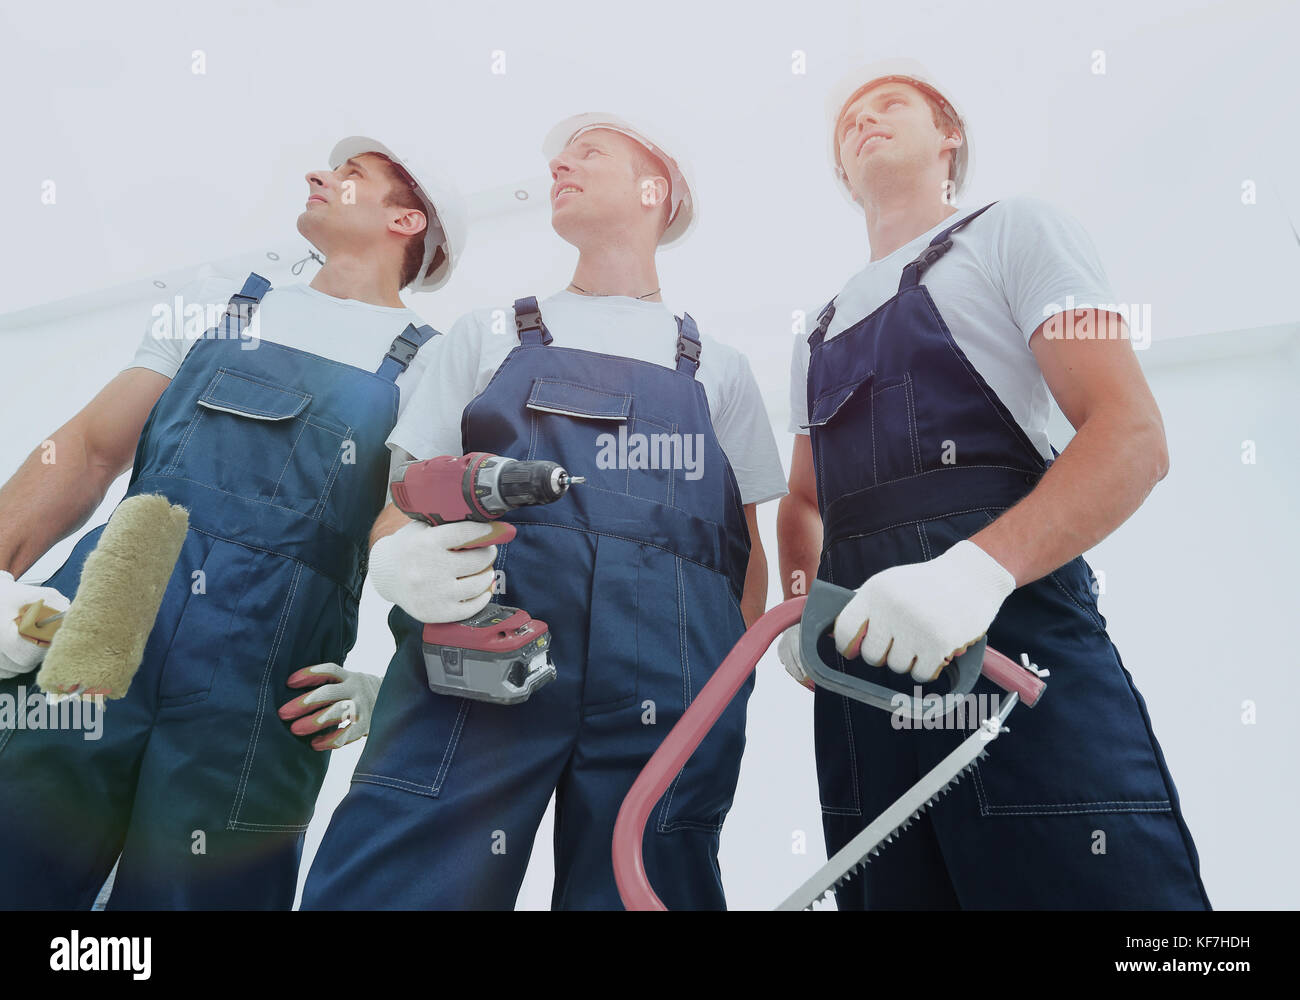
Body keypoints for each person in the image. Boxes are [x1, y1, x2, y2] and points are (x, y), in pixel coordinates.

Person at [301, 112, 788, 910]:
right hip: (481, 656)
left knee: (646, 884)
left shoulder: (717, 371)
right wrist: (397, 563)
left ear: (652, 188)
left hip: (669, 688)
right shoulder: (485, 334)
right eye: (559, 155)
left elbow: (743, 556)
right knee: (399, 878)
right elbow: (405, 495)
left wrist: (721, 694)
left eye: (587, 152)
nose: (560, 165)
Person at [776, 60, 1210, 909]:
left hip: (1011, 651)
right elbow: (802, 501)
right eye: (847, 123)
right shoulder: (816, 329)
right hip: (865, 685)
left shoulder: (1018, 231)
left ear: (950, 137)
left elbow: (1132, 436)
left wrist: (974, 573)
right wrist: (800, 611)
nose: (863, 120)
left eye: (890, 104)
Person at [0, 135, 475, 909]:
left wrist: (394, 687)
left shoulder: (430, 365)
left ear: (407, 220)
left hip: (263, 681)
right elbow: (88, 453)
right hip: (103, 619)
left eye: (351, 175)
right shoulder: (223, 300)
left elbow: (412, 546)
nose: (320, 175)